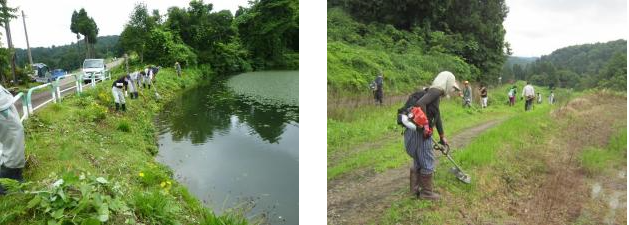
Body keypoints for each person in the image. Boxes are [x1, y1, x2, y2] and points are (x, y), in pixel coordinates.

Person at [399, 71, 459, 201]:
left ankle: (414, 191)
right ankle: (426, 193)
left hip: (413, 132)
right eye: (452, 86)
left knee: (419, 160)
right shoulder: (436, 91)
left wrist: (442, 135)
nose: (452, 89)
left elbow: (436, 116)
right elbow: (421, 104)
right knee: (427, 159)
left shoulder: (432, 92)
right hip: (420, 133)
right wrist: (426, 126)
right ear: (447, 81)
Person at [0, 84, 25, 195]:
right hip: (2, 105)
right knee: (14, 133)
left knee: (14, 134)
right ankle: (9, 181)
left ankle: (10, 178)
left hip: (3, 101)